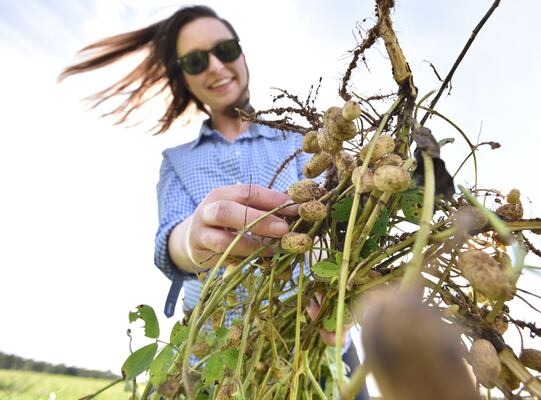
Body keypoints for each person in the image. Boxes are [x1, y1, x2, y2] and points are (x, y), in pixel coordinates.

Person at [60, 6, 369, 399]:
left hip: (310, 338)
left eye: (224, 49)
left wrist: (336, 283)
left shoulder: (304, 141)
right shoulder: (178, 160)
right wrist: (191, 238)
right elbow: (168, 241)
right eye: (195, 60)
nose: (215, 66)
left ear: (241, 54)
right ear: (183, 77)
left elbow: (335, 220)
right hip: (212, 354)